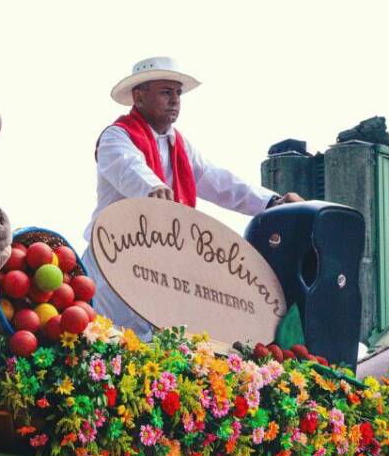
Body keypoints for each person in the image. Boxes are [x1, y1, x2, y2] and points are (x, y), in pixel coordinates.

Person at [81, 56, 301, 337]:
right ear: (138, 96)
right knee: (111, 340)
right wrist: (152, 189)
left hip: (161, 268)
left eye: (178, 93)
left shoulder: (178, 145)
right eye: (165, 92)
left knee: (160, 346)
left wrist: (272, 202)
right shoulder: (116, 137)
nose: (174, 100)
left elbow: (217, 179)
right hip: (113, 258)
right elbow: (129, 167)